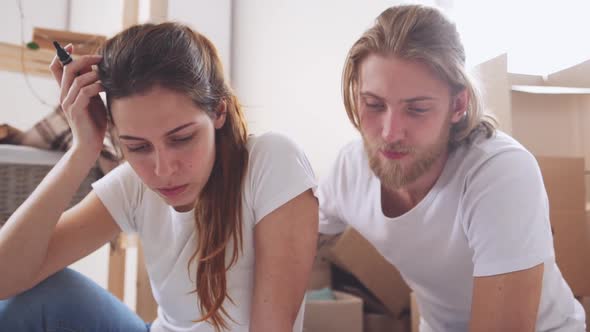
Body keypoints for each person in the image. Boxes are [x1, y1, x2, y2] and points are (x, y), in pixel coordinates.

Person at [0, 22, 318, 332]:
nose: (162, 170)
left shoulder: (271, 161)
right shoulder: (132, 184)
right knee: (33, 298)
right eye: (137, 146)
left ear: (218, 111)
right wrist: (83, 150)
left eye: (181, 138)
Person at [316, 4, 586, 332]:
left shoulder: (500, 173)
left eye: (416, 109)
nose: (390, 133)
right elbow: (286, 247)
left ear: (458, 104)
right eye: (374, 104)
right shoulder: (350, 168)